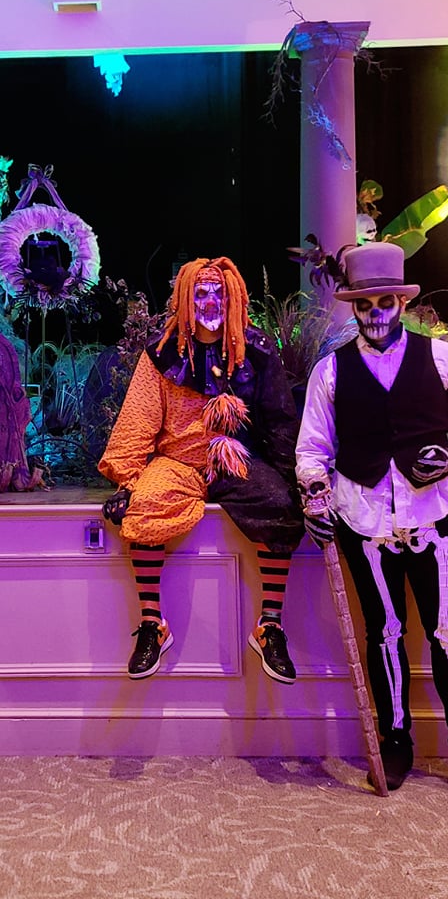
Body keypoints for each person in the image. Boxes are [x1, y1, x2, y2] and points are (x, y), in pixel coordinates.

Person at [295, 241, 448, 814]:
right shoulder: (330, 371)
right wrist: (314, 493)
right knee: (384, 635)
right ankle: (396, 743)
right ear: (354, 309)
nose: (377, 315)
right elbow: (312, 448)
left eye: (386, 302)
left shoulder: (440, 358)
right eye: (365, 306)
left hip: (434, 519)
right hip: (362, 521)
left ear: (401, 301)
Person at [99, 256, 304, 685]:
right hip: (177, 461)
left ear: (234, 300)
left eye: (219, 294)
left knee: (280, 506)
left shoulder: (258, 350)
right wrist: (127, 479)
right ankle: (154, 624)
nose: (210, 301)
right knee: (146, 507)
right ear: (185, 300)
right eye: (201, 293)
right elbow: (139, 417)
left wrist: (294, 479)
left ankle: (269, 625)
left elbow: (281, 418)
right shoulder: (161, 354)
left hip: (236, 459)